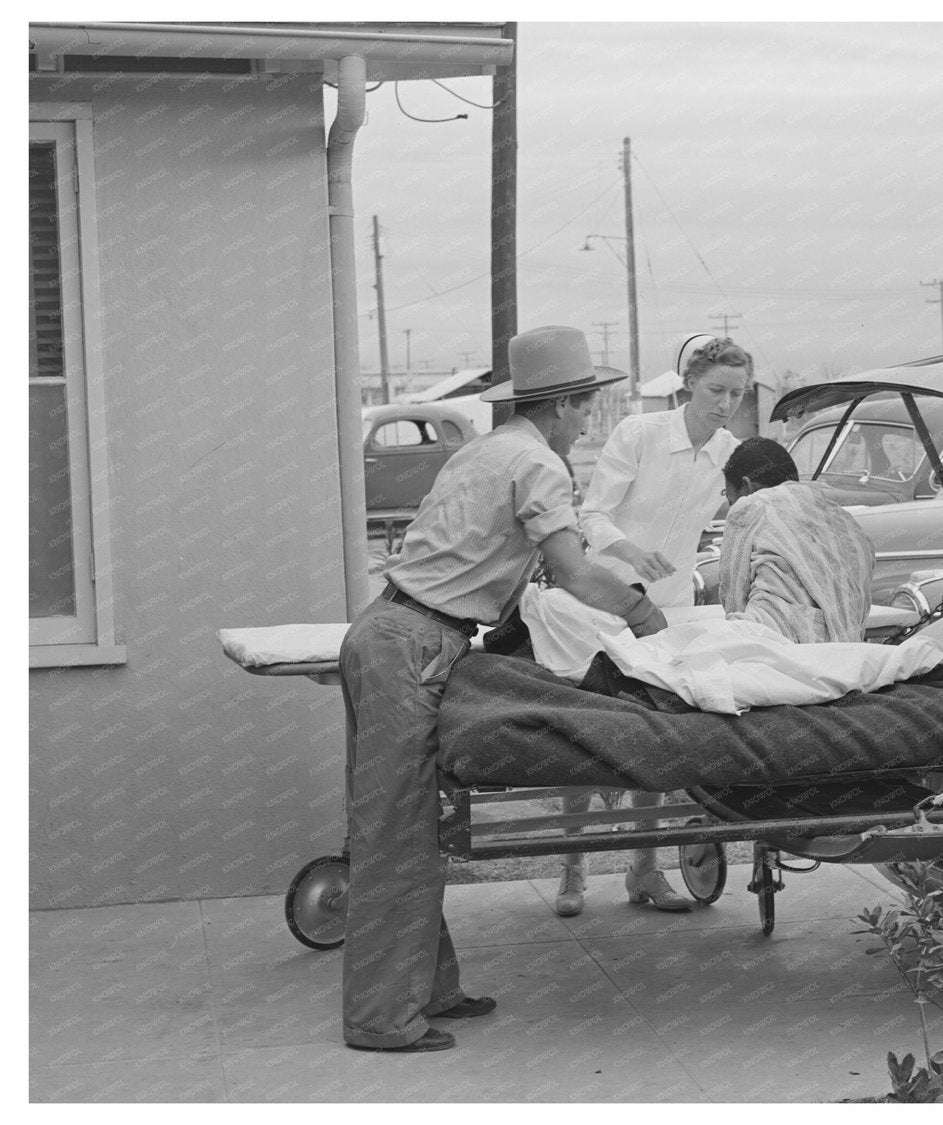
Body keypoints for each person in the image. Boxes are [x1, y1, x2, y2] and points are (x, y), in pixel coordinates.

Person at [338, 325, 668, 1054]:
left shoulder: (485, 451)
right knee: (396, 835)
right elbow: (576, 573)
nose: (588, 421)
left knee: (409, 827)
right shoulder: (540, 463)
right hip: (414, 645)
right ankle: (380, 1018)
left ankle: (430, 989)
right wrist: (645, 614)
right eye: (586, 407)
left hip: (386, 632)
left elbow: (508, 566)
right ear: (561, 406)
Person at [552, 334, 750, 918]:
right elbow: (591, 516)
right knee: (583, 735)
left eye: (737, 393)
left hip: (667, 614)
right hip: (603, 602)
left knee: (653, 738)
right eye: (716, 390)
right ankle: (572, 869)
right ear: (688, 383)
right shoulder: (637, 434)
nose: (725, 403)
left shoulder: (729, 452)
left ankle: (644, 870)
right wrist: (633, 554)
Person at [719, 436, 876, 643]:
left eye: (731, 499)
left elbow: (734, 598)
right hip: (845, 652)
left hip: (771, 646)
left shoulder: (752, 505)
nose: (733, 506)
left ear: (747, 487)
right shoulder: (847, 522)